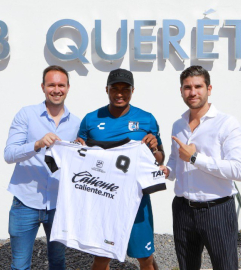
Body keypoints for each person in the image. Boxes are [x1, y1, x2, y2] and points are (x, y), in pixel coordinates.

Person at [160, 65, 241, 270]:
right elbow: (175, 159)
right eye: (187, 87)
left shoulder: (227, 124)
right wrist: (168, 171)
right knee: (187, 267)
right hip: (182, 209)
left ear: (209, 89)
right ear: (181, 90)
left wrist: (195, 158)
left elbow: (239, 170)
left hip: (216, 210)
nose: (192, 92)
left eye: (198, 86)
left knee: (225, 266)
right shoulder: (178, 124)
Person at [76, 68, 164, 270]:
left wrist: (154, 148)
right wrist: (77, 146)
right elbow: (81, 153)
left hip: (136, 198)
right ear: (106, 89)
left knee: (145, 258)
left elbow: (160, 157)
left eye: (125, 89)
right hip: (103, 198)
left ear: (133, 91)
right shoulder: (91, 119)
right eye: (114, 88)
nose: (119, 93)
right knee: (101, 258)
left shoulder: (147, 119)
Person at [4, 65, 81, 270]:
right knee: (20, 265)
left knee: (57, 263)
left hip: (59, 204)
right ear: (43, 87)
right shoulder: (26, 115)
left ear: (68, 87)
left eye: (61, 85)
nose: (56, 89)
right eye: (51, 85)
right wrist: (36, 144)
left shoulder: (77, 124)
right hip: (25, 201)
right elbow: (9, 154)